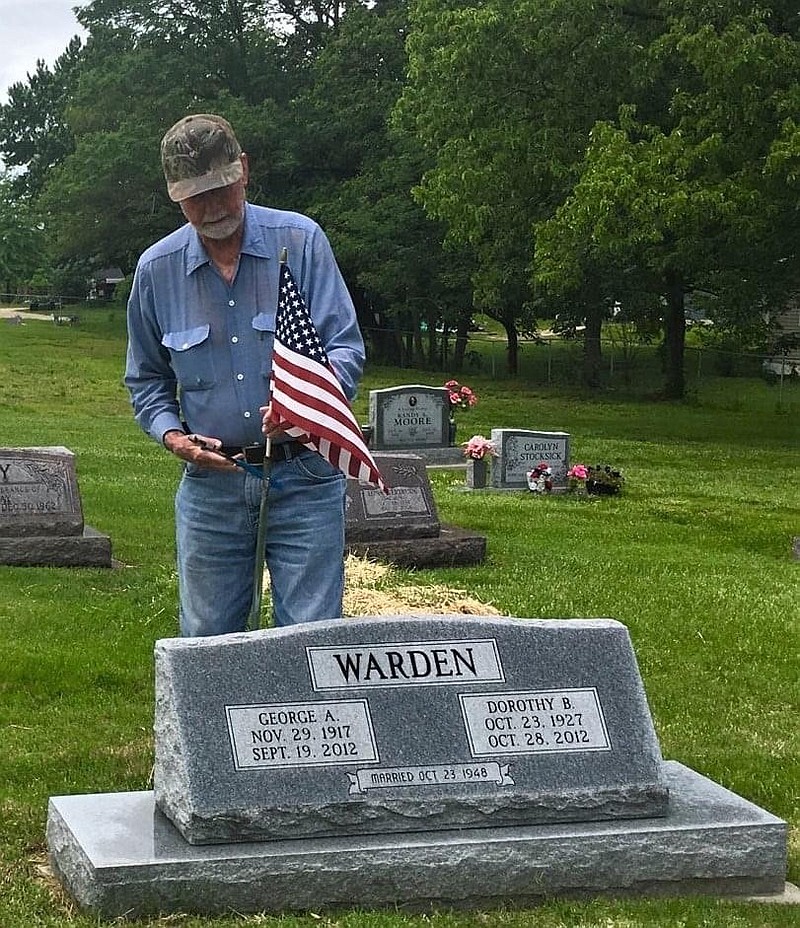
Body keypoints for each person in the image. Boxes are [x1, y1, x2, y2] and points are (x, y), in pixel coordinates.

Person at [125, 113, 365, 636]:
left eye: (220, 189)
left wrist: (302, 408)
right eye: (194, 197)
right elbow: (146, 379)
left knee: (311, 639)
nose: (211, 208)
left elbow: (344, 347)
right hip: (213, 483)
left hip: (306, 475)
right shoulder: (156, 270)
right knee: (209, 644)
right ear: (173, 195)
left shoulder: (300, 242)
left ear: (245, 171)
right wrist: (172, 435)